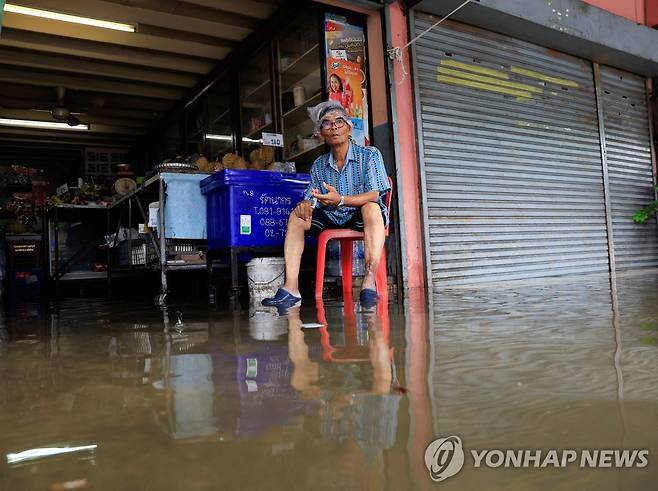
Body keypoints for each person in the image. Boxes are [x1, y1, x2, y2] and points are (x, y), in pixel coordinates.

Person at [262, 100, 390, 308]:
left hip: (361, 215)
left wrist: (341, 199)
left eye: (339, 121)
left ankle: (369, 282)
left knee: (372, 207)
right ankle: (291, 289)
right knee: (297, 216)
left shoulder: (370, 155)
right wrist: (305, 204)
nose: (334, 126)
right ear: (320, 133)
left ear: (349, 127)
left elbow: (375, 194)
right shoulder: (319, 165)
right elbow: (312, 197)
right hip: (332, 216)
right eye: (327, 123)